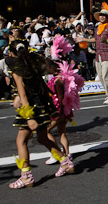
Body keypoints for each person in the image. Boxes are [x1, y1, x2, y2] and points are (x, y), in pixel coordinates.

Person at [6, 40, 67, 188]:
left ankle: (26, 176)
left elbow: (23, 95)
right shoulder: (33, 65)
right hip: (41, 105)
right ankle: (65, 162)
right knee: (42, 137)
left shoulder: (17, 69)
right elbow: (43, 87)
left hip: (30, 108)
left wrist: (29, 117)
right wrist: (51, 107)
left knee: (21, 141)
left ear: (12, 53)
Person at [76, 9, 108, 105]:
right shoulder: (98, 28)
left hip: (107, 54)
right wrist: (83, 39)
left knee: (106, 75)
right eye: (100, 15)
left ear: (107, 17)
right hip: (98, 54)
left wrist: (107, 41)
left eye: (104, 15)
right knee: (101, 76)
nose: (102, 17)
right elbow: (95, 39)